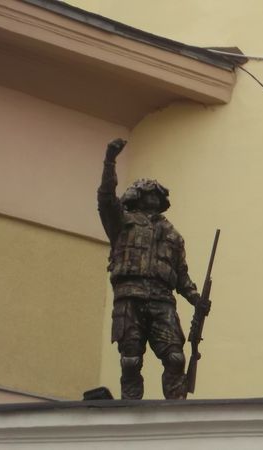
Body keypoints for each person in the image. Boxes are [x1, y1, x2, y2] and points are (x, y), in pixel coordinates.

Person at [97, 138, 210, 399]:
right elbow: (105, 199)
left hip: (162, 300)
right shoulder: (121, 222)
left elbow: (181, 276)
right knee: (130, 360)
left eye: (157, 194)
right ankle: (129, 409)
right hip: (129, 296)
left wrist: (197, 299)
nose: (154, 196)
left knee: (175, 357)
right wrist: (110, 160)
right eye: (149, 192)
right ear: (136, 195)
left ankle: (176, 409)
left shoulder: (172, 234)